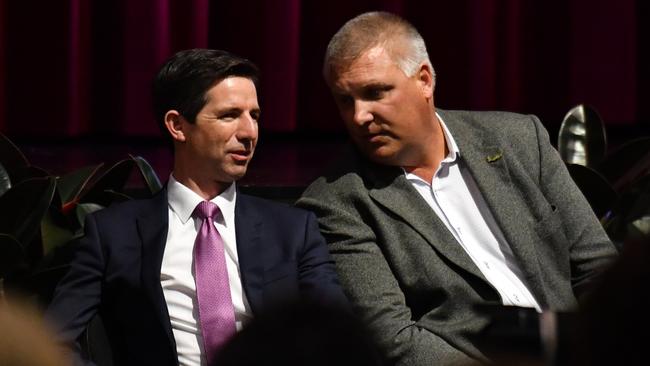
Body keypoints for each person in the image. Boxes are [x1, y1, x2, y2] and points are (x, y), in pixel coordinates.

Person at [297, 11, 617, 365]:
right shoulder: (338, 201)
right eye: (346, 100)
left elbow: (599, 269)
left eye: (375, 93)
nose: (359, 116)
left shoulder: (520, 140)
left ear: (424, 80)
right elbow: (394, 339)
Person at [46, 48, 348, 366]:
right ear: (177, 125)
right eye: (229, 115)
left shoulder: (293, 230)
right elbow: (51, 342)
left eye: (254, 115)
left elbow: (342, 338)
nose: (249, 133)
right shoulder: (113, 233)